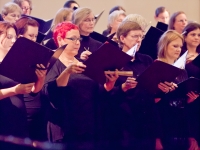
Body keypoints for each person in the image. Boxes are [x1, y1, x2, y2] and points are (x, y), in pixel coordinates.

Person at [42, 22, 118, 147]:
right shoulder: (52, 62)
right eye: (73, 39)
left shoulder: (84, 63)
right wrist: (67, 72)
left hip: (88, 124)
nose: (77, 42)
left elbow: (98, 93)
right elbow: (50, 92)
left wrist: (110, 83)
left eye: (79, 39)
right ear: (60, 39)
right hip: (65, 126)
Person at [0, 21, 46, 139]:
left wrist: (41, 77)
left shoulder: (17, 61)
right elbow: (16, 90)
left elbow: (34, 90)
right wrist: (15, 90)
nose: (13, 41)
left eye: (15, 37)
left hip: (19, 119)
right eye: (9, 37)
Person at [156, 30, 199, 150]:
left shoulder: (182, 71)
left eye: (180, 46)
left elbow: (184, 104)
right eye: (175, 46)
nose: (178, 49)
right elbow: (153, 106)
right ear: (164, 46)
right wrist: (156, 138)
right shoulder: (156, 68)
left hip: (180, 126)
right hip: (164, 125)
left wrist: (190, 99)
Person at [15, 16, 48, 141]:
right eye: (30, 36)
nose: (34, 40)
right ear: (20, 36)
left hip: (35, 109)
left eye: (35, 36)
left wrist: (41, 78)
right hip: (19, 110)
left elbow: (35, 91)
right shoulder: (11, 56)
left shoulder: (36, 55)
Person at [182, 22, 200, 149]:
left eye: (199, 35)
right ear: (185, 36)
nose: (196, 37)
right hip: (190, 100)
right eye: (193, 34)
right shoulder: (180, 56)